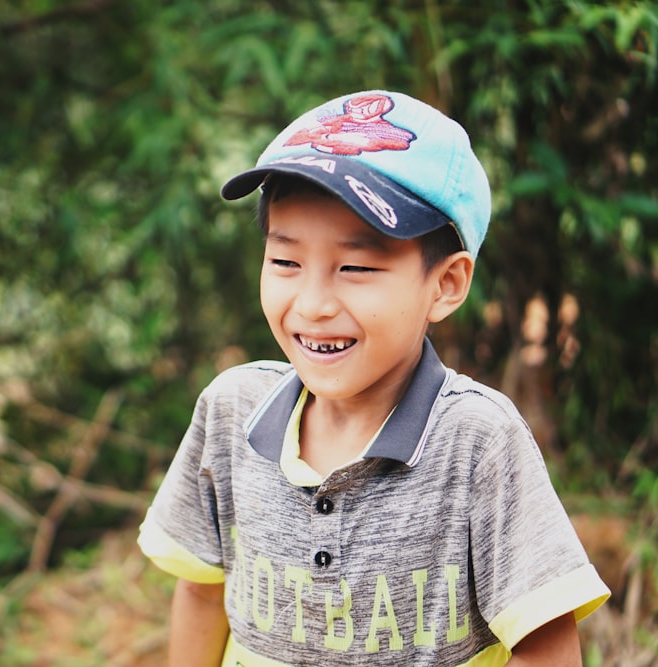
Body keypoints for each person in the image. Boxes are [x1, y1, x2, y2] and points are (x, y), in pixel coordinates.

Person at [137, 90, 610, 666]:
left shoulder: (476, 441)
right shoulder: (232, 409)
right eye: (285, 261)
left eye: (355, 267)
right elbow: (202, 589)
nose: (312, 305)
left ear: (446, 284)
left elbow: (548, 643)